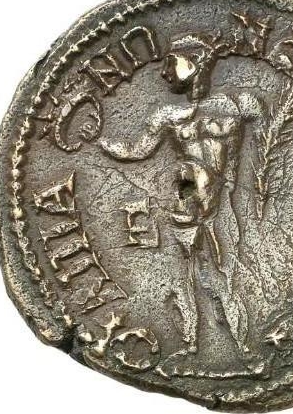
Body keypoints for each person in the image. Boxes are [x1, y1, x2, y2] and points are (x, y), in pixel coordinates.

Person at [100, 32, 266, 371]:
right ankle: (192, 346)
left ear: (195, 61)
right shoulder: (168, 115)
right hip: (187, 204)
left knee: (223, 276)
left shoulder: (241, 105)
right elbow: (137, 151)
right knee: (186, 277)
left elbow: (266, 145)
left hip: (223, 205)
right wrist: (102, 142)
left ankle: (244, 350)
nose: (163, 73)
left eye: (170, 64)